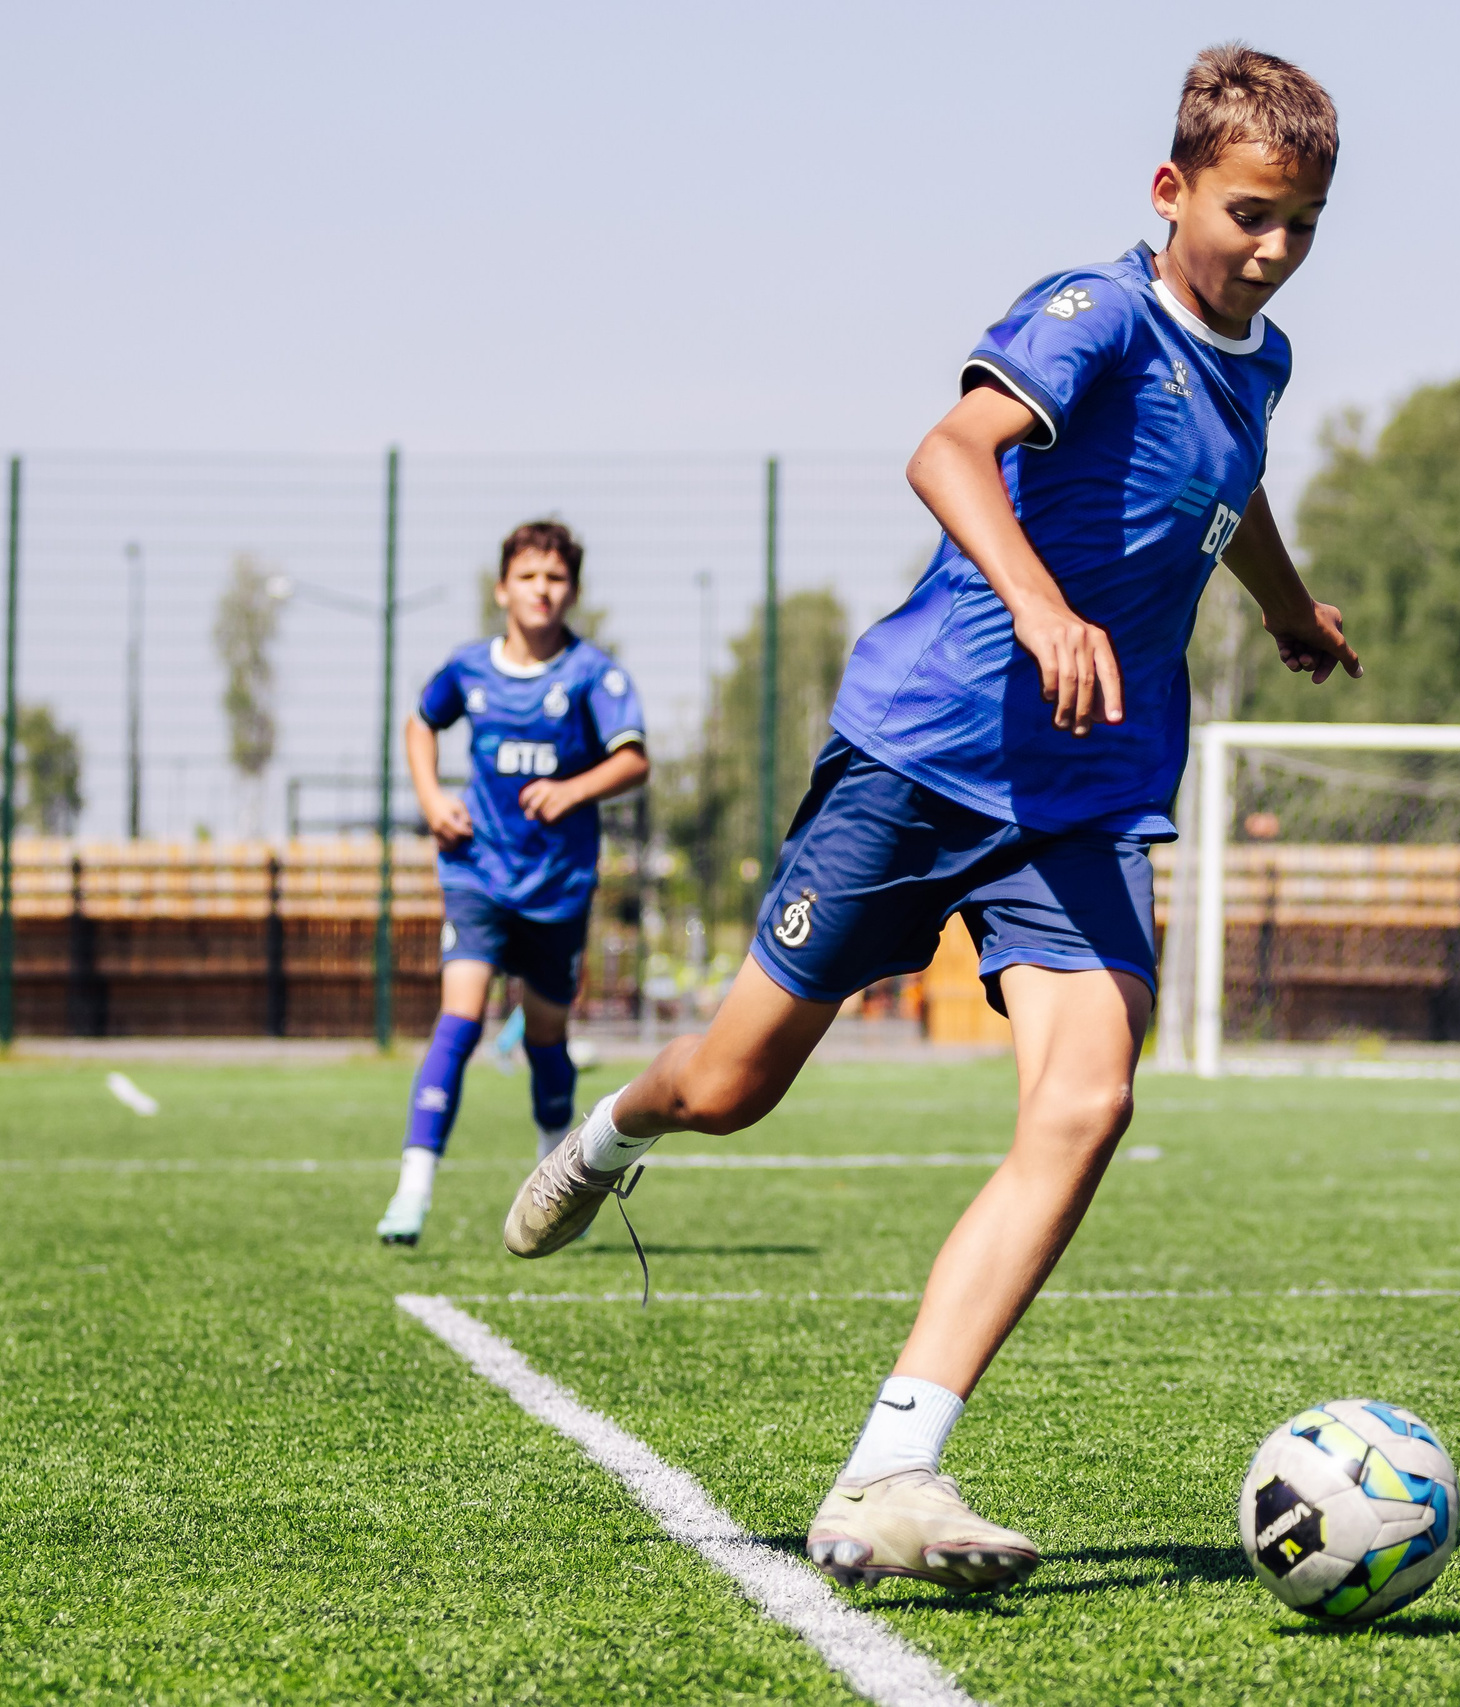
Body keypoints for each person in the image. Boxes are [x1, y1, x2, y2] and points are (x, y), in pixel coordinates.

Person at [499, 44, 1356, 1594]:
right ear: (1172, 191)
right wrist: (1039, 604)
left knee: (1088, 1101)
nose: (1275, 249)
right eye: (1250, 215)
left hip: (1086, 794)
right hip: (927, 751)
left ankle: (894, 1461)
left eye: (1302, 223)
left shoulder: (1264, 360)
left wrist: (1289, 607)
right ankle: (616, 1128)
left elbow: (1227, 494)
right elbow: (947, 449)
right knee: (732, 1083)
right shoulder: (1093, 314)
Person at [374, 519, 648, 1246]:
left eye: (555, 578)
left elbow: (633, 758)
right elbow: (420, 723)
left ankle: (555, 1177)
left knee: (547, 1036)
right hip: (478, 873)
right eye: (528, 577)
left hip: (557, 886)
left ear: (572, 591)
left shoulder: (592, 674)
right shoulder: (468, 669)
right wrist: (432, 799)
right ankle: (413, 1188)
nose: (541, 590)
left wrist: (572, 790)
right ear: (502, 589)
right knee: (459, 1019)